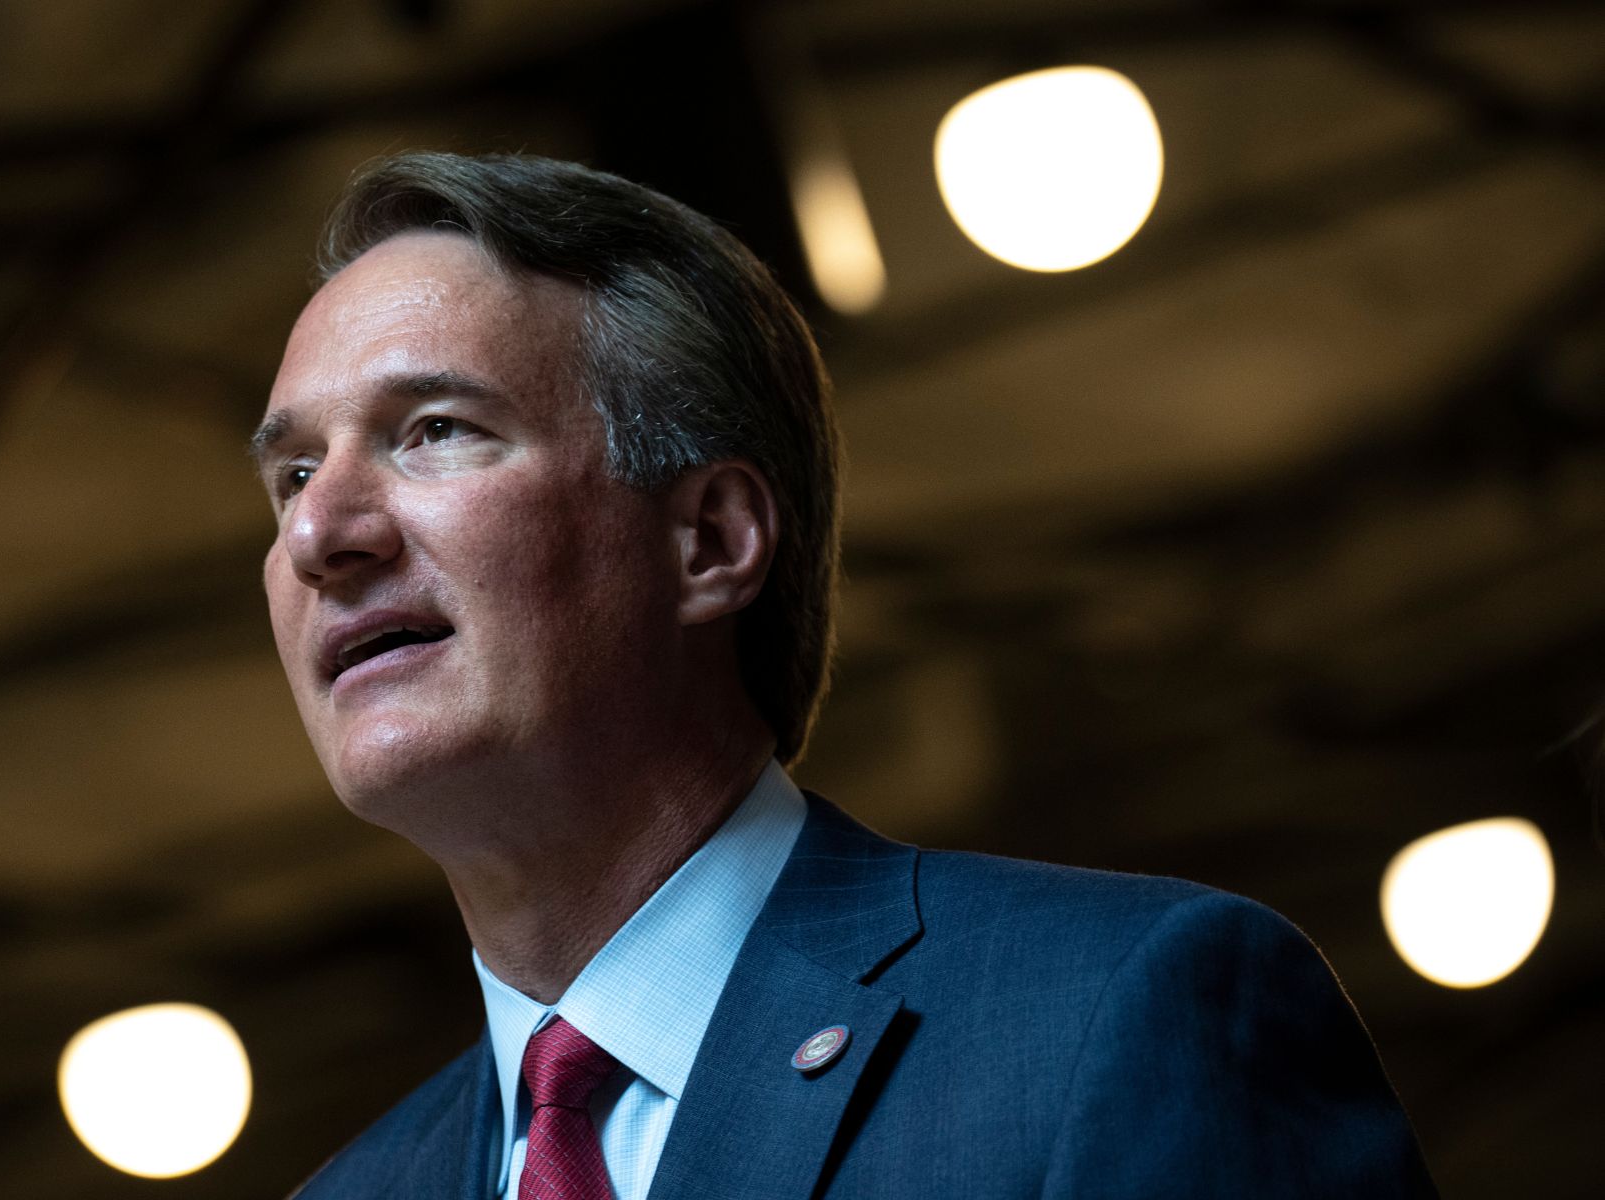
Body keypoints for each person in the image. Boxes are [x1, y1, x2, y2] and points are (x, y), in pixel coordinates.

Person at [251, 152, 1436, 1199]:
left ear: (709, 539)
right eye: (293, 474)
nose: (319, 533)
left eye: (436, 430)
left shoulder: (1122, 1017)